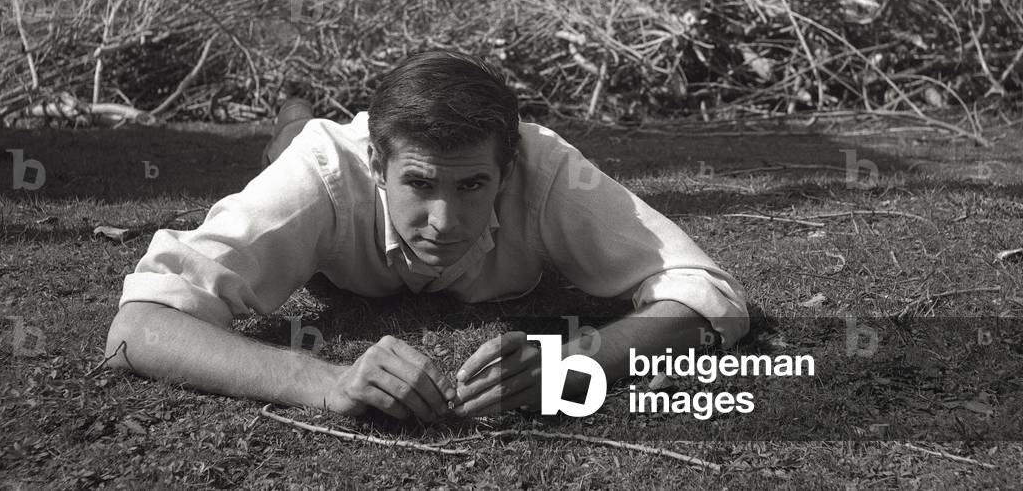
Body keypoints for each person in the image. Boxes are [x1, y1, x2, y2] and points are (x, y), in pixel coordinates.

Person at [105, 50, 748, 421]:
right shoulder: (326, 171)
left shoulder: (545, 163)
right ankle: (293, 113)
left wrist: (581, 358)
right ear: (378, 167)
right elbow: (139, 327)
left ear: (508, 168)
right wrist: (319, 380)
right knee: (287, 148)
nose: (443, 222)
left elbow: (706, 291)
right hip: (304, 157)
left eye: (471, 186)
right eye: (418, 184)